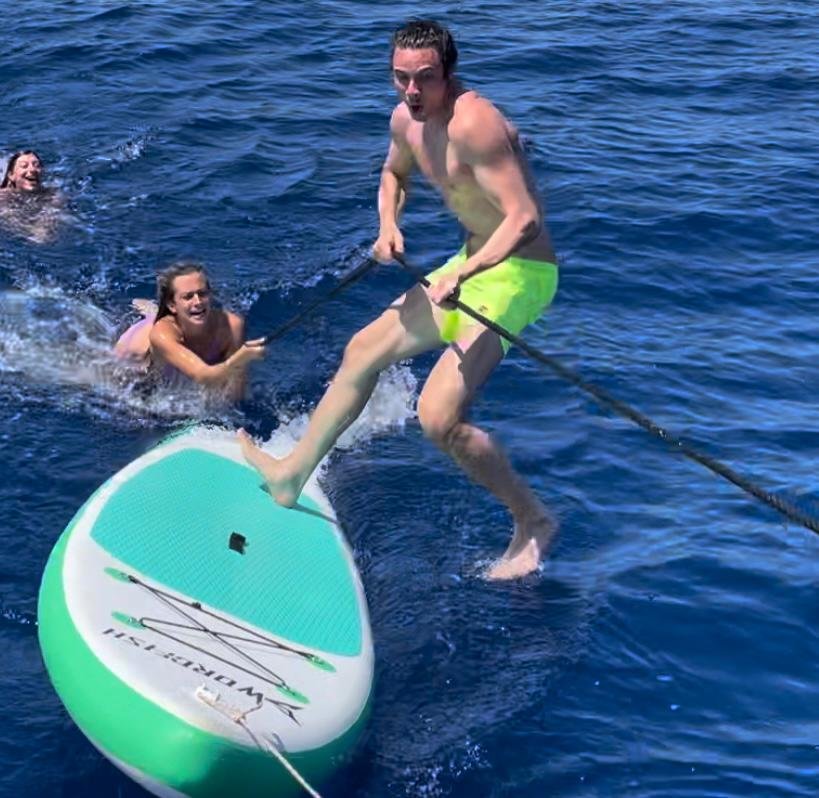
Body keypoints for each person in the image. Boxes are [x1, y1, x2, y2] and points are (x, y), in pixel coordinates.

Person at [239, 19, 559, 579]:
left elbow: (526, 220)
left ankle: (533, 521)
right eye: (401, 78)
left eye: (425, 79)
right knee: (362, 350)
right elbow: (393, 174)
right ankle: (291, 477)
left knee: (437, 418)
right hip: (471, 263)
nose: (412, 91)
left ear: (449, 74)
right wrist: (388, 223)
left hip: (518, 272)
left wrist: (470, 272)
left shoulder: (476, 125)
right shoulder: (406, 121)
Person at [115, 261, 265, 399]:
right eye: (188, 297)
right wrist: (240, 358)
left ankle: (152, 311)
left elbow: (235, 392)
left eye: (202, 293)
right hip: (133, 363)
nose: (198, 302)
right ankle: (150, 312)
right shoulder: (161, 335)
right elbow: (203, 375)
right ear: (172, 305)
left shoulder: (232, 326)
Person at [0, 150, 63, 243]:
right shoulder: (3, 197)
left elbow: (51, 216)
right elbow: (9, 219)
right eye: (24, 166)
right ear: (11, 175)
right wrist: (31, 230)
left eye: (37, 165)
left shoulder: (53, 195)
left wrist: (42, 229)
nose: (32, 170)